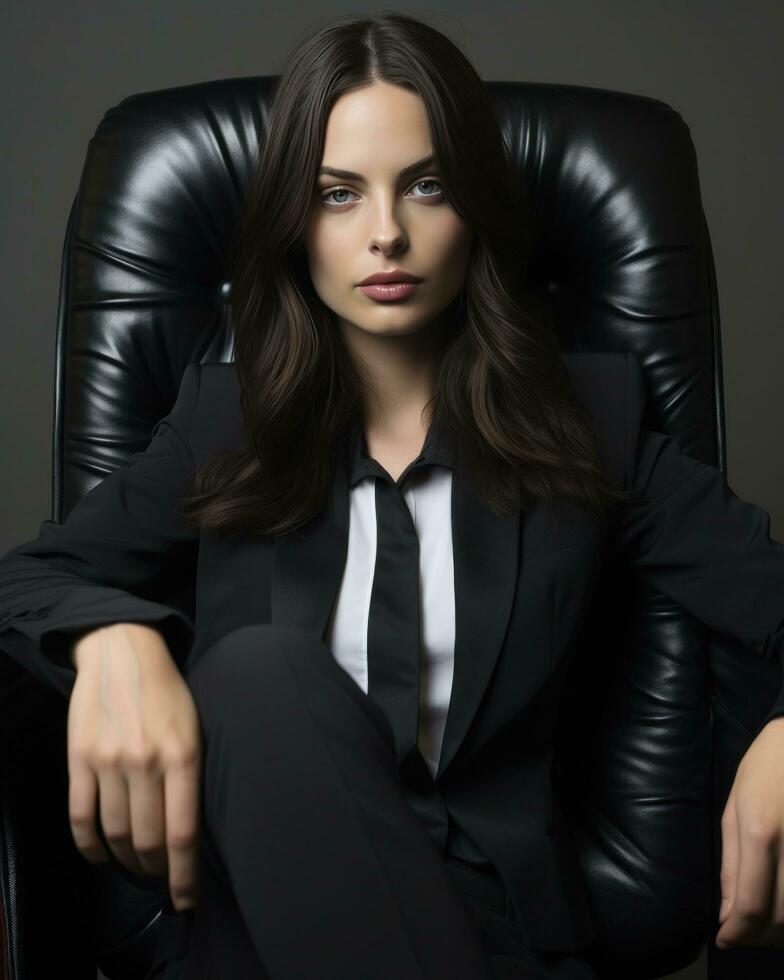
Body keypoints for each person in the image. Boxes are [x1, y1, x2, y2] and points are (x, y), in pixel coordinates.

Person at [2, 11, 784, 980]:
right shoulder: (222, 422)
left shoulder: (589, 420)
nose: (385, 233)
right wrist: (111, 636)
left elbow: (768, 592)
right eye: (337, 195)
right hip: (262, 929)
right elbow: (27, 583)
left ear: (474, 206)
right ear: (295, 219)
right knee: (255, 677)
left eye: (425, 184)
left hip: (501, 934)